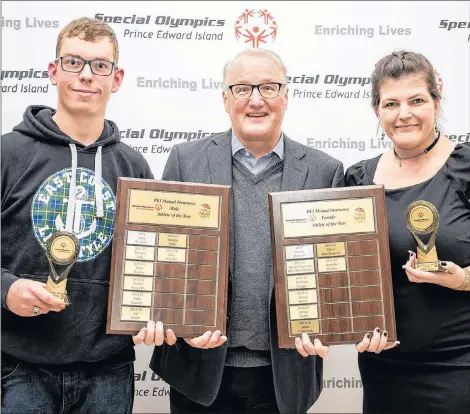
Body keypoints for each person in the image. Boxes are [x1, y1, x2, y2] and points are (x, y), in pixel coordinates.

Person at [145, 48, 345, 413]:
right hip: (198, 373)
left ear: (286, 96)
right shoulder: (185, 160)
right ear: (225, 98)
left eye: (269, 87)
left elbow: (334, 273)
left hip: (283, 375)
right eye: (242, 88)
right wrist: (164, 315)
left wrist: (334, 321)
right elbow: (164, 262)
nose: (256, 100)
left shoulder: (324, 171)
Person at [1, 17, 154, 413]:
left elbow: (151, 262)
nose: (86, 75)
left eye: (100, 65)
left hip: (108, 369)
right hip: (18, 367)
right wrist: (6, 290)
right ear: (54, 71)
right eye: (74, 63)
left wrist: (161, 310)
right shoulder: (7, 155)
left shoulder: (133, 167)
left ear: (116, 78)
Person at [346, 51, 470, 413]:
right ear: (377, 111)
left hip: (460, 365)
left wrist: (461, 279)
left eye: (417, 100)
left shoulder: (465, 168)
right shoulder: (358, 179)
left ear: (436, 101)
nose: (404, 113)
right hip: (384, 368)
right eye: (391, 103)